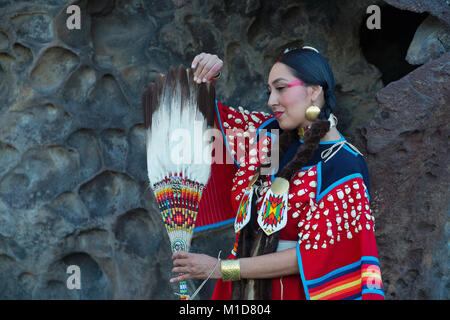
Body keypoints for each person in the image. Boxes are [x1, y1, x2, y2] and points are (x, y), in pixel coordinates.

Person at [170, 48, 384, 300]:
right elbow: (202, 122)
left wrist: (221, 269)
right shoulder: (265, 135)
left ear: (314, 91)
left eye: (281, 88)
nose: (272, 100)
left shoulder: (344, 164)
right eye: (269, 90)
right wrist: (204, 80)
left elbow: (314, 254)